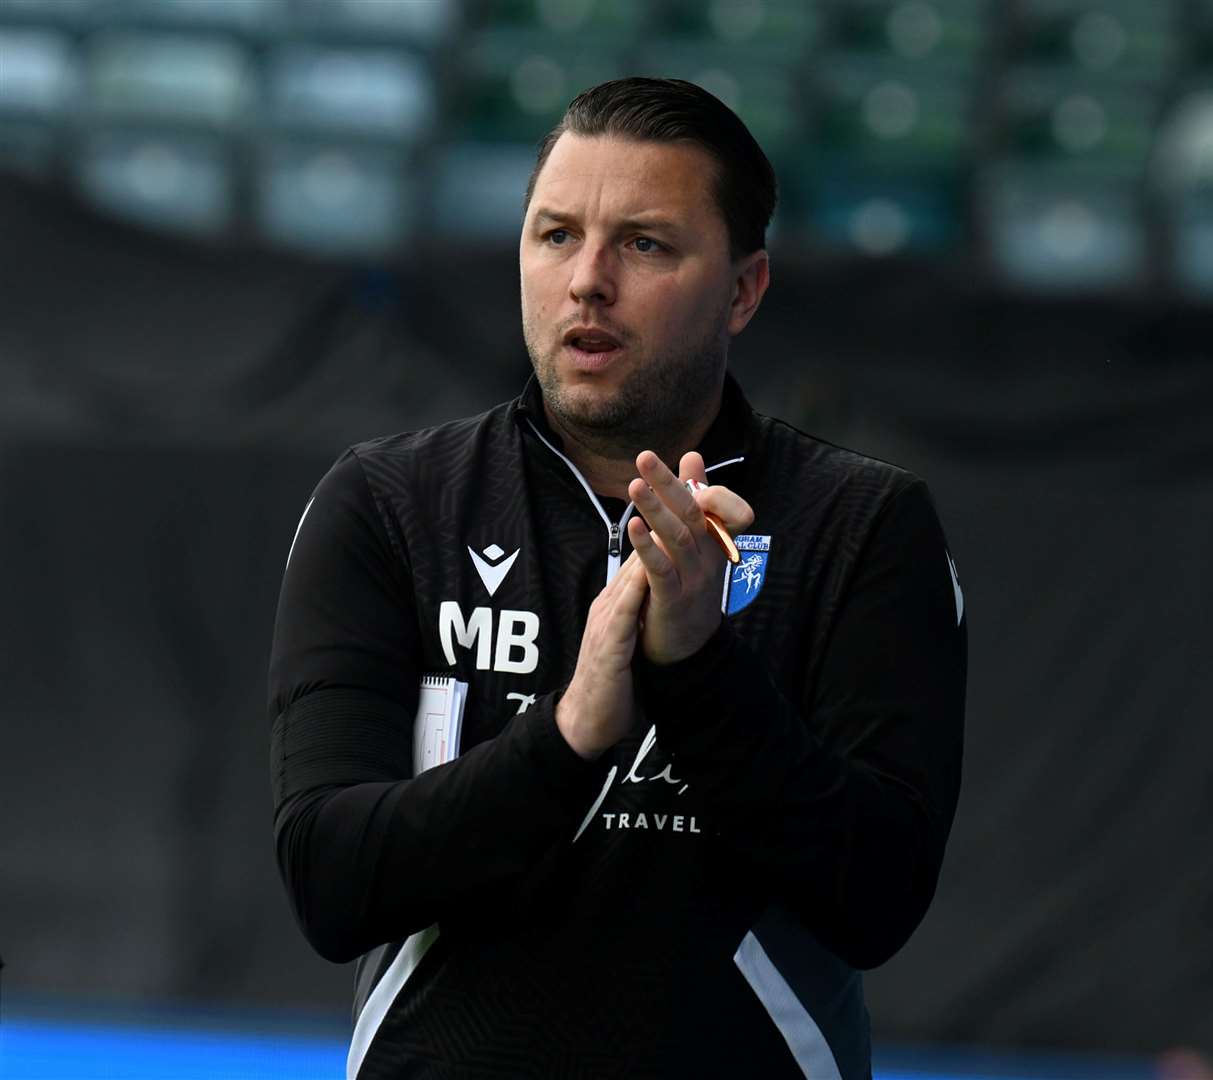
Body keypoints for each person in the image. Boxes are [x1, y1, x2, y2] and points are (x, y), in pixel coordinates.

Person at [269, 77, 967, 1080]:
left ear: (743, 288)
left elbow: (878, 899)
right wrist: (570, 734)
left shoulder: (860, 526)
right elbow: (330, 883)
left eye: (645, 244)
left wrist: (698, 669)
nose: (587, 280)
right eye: (556, 235)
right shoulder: (388, 503)